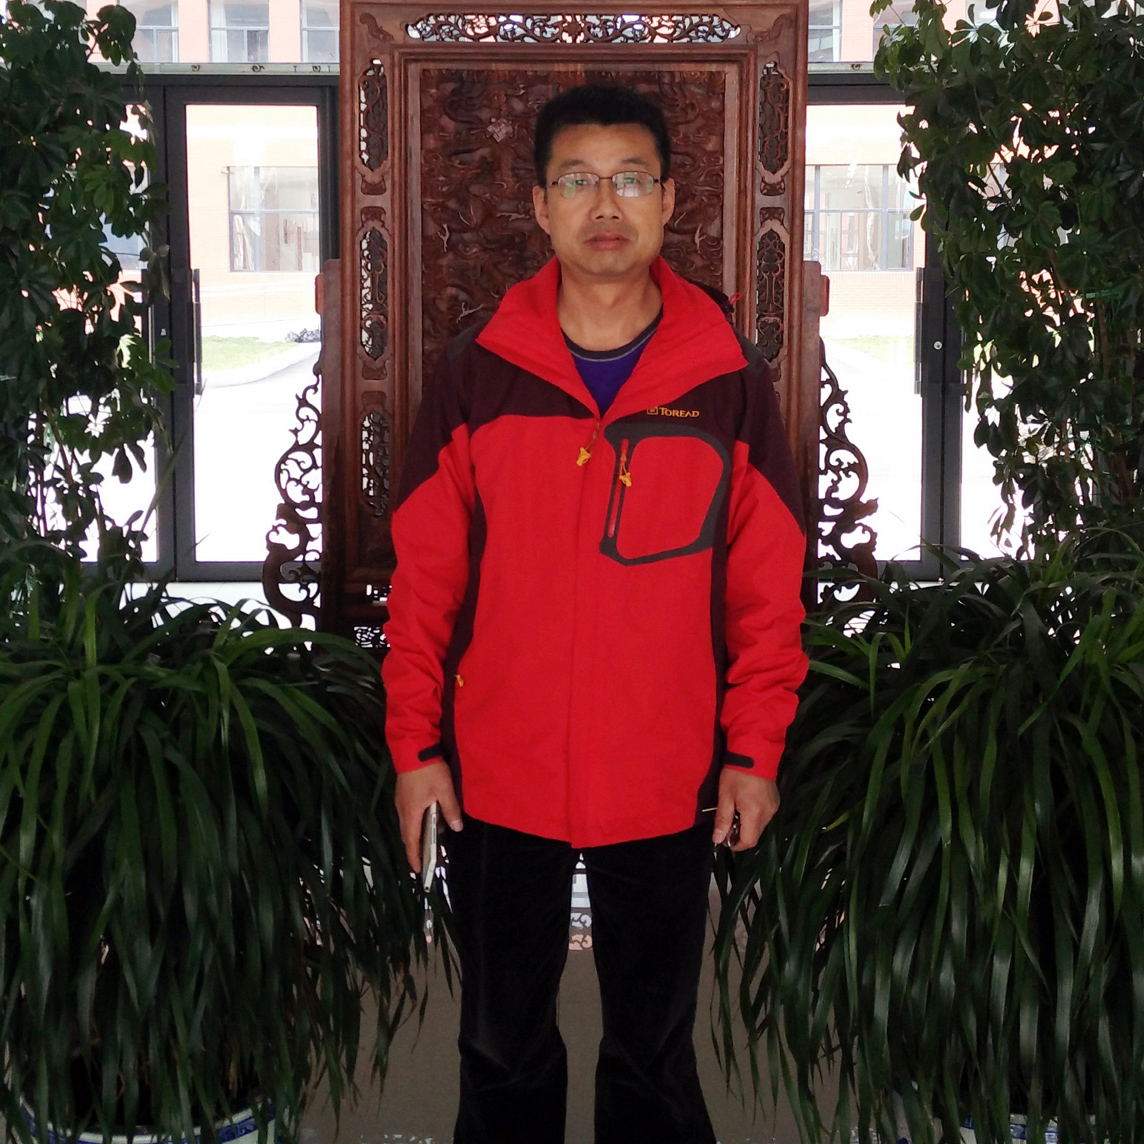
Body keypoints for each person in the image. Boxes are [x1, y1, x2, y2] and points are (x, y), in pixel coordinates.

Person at [382, 83, 808, 1144]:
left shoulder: (727, 381)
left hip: (666, 771)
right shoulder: (476, 374)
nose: (604, 203)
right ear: (539, 204)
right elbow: (424, 584)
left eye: (629, 179)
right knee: (500, 1047)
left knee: (654, 1056)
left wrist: (752, 751)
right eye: (577, 180)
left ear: (668, 200)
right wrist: (416, 750)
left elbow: (767, 592)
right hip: (498, 773)